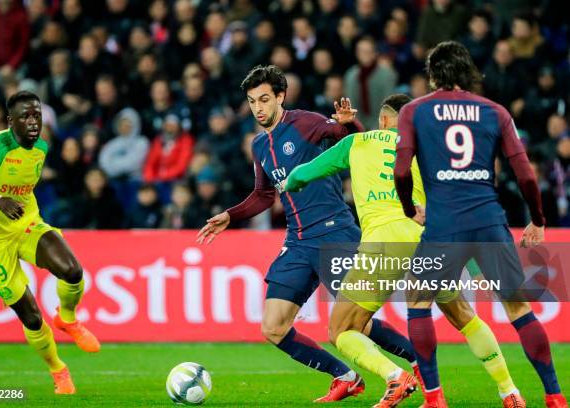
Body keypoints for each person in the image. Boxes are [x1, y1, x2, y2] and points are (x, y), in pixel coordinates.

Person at [284, 94, 525, 407]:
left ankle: (394, 376)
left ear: (383, 119)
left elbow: (302, 174)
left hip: (385, 240)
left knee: (341, 329)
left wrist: (288, 183)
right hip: (428, 239)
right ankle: (509, 392)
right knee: (465, 317)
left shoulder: (357, 143)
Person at [198, 65, 411, 403]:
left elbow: (354, 144)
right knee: (273, 327)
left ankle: (416, 368)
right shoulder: (258, 146)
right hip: (297, 240)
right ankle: (347, 376)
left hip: (334, 231)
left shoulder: (306, 123)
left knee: (355, 322)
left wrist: (348, 123)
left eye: (265, 99)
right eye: (252, 101)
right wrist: (230, 215)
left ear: (280, 97)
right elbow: (265, 195)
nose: (258, 107)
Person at [394, 41, 567, 408]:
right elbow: (526, 176)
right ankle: (554, 396)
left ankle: (435, 397)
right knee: (518, 308)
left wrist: (409, 207)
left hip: (444, 227)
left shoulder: (414, 111)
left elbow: (401, 170)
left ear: (433, 75)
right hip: (490, 222)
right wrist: (537, 219)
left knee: (419, 300)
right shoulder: (495, 111)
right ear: (468, 72)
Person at [0, 91, 100, 394]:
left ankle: (67, 319)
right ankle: (58, 371)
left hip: (25, 223)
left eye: (36, 115)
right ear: (11, 121)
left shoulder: (42, 147)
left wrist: (13, 206)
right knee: (32, 316)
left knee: (72, 271)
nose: (33, 122)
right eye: (25, 116)